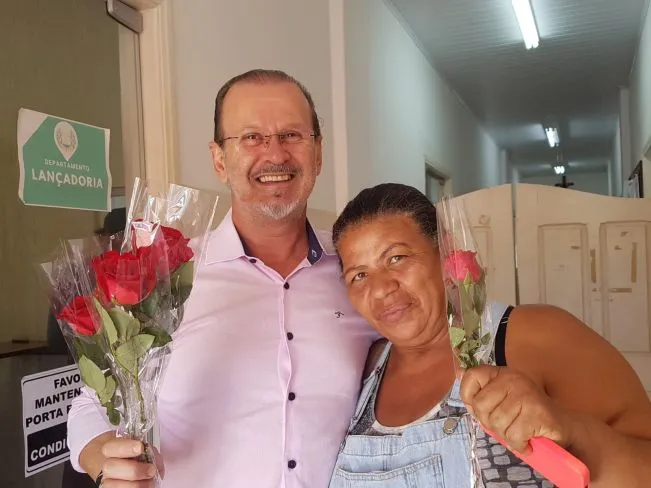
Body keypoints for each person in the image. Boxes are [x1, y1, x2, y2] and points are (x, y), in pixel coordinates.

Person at [66, 70, 377, 487]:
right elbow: (93, 404)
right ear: (219, 160)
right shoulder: (167, 279)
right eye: (251, 137)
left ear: (317, 153)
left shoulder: (361, 273)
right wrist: (107, 465)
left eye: (292, 135)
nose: (275, 154)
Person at [328, 182, 651, 487]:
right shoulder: (364, 370)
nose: (381, 289)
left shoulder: (533, 335)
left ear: (444, 252)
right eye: (359, 275)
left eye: (397, 258)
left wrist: (571, 430)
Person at [45, 208, 126, 488]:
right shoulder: (82, 275)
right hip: (88, 385)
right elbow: (57, 335)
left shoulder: (136, 275)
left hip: (102, 390)